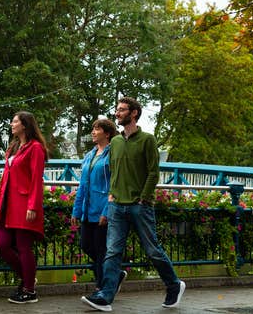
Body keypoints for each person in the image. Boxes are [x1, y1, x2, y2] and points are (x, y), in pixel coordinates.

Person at [81, 97, 186, 312]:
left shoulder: (147, 140)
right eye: (117, 110)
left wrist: (143, 197)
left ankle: (174, 285)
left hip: (140, 206)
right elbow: (114, 173)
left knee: (152, 250)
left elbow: (153, 172)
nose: (117, 114)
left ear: (134, 113)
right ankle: (106, 295)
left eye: (122, 110)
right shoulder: (116, 143)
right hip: (117, 205)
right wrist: (111, 195)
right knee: (112, 252)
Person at [0, 111, 48, 304]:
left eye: (15, 121)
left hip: (25, 205)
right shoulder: (14, 147)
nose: (11, 124)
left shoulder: (36, 148)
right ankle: (28, 280)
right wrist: (0, 204)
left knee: (24, 247)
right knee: (1, 245)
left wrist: (33, 205)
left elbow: (36, 179)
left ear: (25, 125)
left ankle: (29, 291)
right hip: (9, 205)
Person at [71, 119, 121, 292]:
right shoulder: (90, 155)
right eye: (93, 128)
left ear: (107, 134)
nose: (93, 132)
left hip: (102, 209)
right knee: (86, 245)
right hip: (87, 209)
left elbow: (115, 185)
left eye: (97, 129)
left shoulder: (112, 155)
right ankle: (115, 273)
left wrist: (106, 211)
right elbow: (82, 185)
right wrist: (76, 211)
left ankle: (102, 288)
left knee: (101, 250)